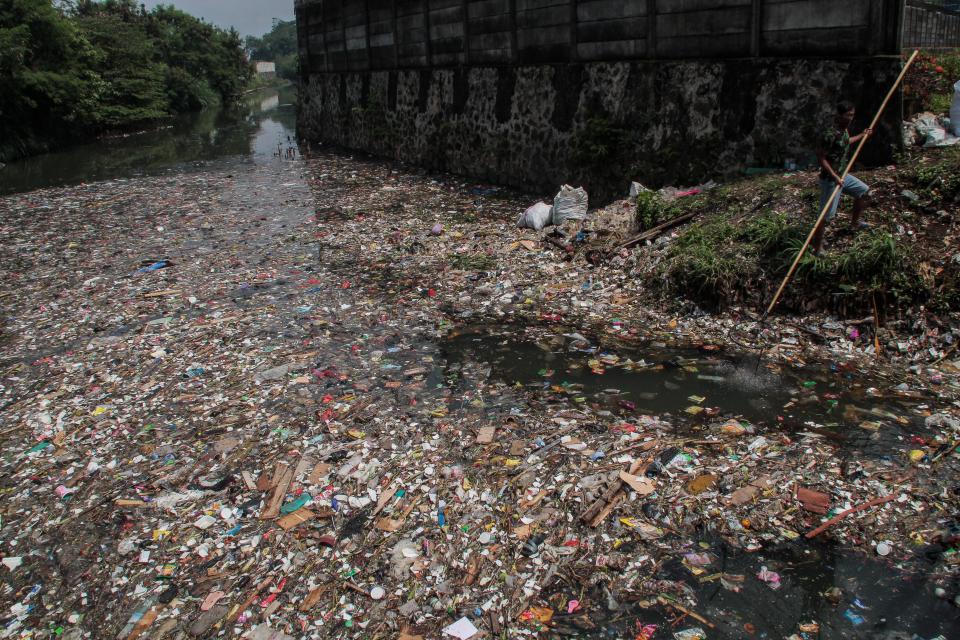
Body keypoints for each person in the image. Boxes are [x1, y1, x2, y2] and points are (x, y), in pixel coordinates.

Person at [812, 100, 873, 254]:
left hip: (843, 176)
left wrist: (862, 135)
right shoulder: (829, 134)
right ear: (838, 115)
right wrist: (834, 177)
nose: (850, 118)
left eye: (852, 115)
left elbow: (846, 142)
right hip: (830, 179)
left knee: (863, 191)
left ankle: (855, 223)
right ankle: (817, 247)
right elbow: (821, 158)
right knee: (825, 216)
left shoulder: (844, 131)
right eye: (847, 115)